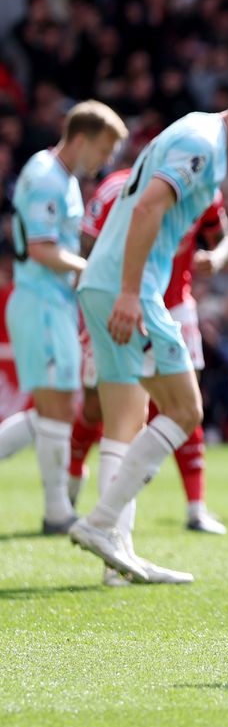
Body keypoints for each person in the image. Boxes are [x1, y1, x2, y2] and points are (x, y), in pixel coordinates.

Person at [68, 69, 228, 583]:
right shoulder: (204, 142)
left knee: (125, 420)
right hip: (126, 286)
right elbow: (151, 208)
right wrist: (133, 293)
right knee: (185, 410)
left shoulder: (200, 135)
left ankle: (117, 553)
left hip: (103, 282)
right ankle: (99, 523)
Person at [69, 168, 228, 540]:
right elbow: (87, 245)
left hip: (174, 305)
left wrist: (217, 257)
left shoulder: (205, 190)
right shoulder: (118, 189)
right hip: (119, 299)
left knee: (183, 406)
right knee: (102, 408)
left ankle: (194, 507)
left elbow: (224, 238)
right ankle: (72, 489)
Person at [0, 100, 126, 534]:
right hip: (40, 301)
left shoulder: (61, 177)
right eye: (104, 149)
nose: (106, 160)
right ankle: (57, 511)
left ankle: (57, 508)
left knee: (54, 410)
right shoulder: (49, 179)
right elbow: (41, 248)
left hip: (51, 303)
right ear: (81, 139)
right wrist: (91, 269)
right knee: (55, 410)